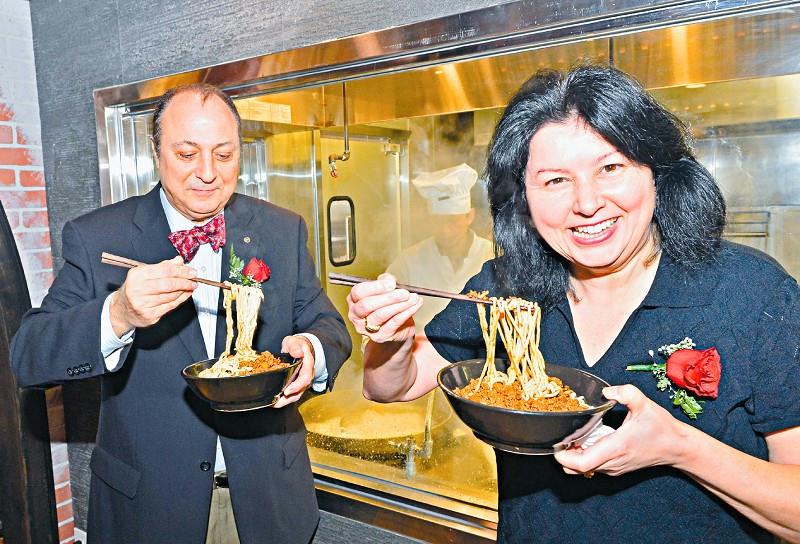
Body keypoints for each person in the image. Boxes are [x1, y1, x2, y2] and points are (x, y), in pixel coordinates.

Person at [344, 65, 800, 543]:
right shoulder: (508, 285)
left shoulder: (751, 291)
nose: (586, 203)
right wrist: (391, 339)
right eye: (555, 181)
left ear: (656, 173)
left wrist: (680, 448)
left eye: (610, 168)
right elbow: (391, 386)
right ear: (524, 198)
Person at [11, 83, 352, 544]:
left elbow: (327, 324)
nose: (208, 173)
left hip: (269, 502)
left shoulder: (281, 228)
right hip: (150, 509)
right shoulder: (98, 237)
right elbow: (28, 357)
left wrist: (312, 351)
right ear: (156, 152)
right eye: (187, 154)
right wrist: (118, 313)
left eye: (224, 155)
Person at [386, 163, 493, 330]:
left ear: (469, 216)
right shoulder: (409, 261)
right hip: (421, 344)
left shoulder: (491, 254)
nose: (445, 230)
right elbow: (385, 309)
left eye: (452, 221)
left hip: (482, 345)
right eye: (437, 222)